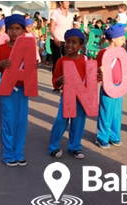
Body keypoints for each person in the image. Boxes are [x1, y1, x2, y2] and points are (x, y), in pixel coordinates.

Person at [0, 14, 36, 167]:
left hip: (23, 90)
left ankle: (19, 153)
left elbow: (30, 70)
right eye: (11, 28)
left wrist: (34, 67)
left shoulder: (28, 48)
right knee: (8, 122)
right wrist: (1, 65)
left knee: (21, 122)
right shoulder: (1, 49)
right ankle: (8, 154)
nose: (14, 32)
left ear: (24, 31)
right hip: (7, 90)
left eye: (18, 28)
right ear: (6, 30)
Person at [49, 28, 89, 159]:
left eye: (74, 42)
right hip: (68, 96)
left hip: (82, 97)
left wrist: (99, 75)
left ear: (81, 46)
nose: (69, 45)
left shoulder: (86, 60)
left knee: (78, 122)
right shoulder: (61, 61)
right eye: (67, 42)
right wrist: (59, 81)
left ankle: (75, 147)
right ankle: (53, 146)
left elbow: (92, 78)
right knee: (61, 120)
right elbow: (55, 80)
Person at [95, 24, 126, 149]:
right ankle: (102, 137)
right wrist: (99, 69)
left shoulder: (122, 52)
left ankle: (114, 136)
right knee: (106, 112)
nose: (124, 41)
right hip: (108, 86)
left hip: (119, 86)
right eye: (122, 38)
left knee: (116, 113)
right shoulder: (104, 52)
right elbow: (96, 68)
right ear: (113, 39)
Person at [49, 1, 73, 80]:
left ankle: (67, 82)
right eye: (66, 1)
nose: (68, 3)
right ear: (60, 3)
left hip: (67, 41)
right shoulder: (55, 13)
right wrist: (55, 39)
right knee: (57, 62)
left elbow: (71, 28)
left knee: (68, 61)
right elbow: (51, 28)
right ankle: (56, 82)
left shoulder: (70, 15)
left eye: (68, 2)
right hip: (56, 40)